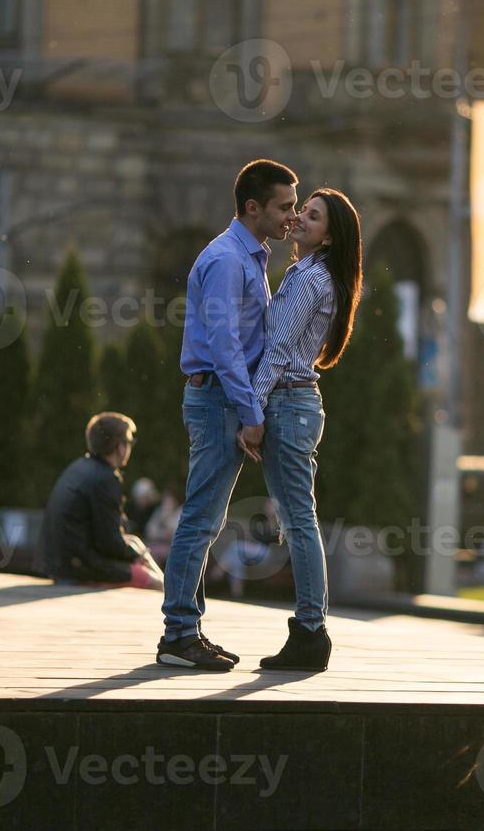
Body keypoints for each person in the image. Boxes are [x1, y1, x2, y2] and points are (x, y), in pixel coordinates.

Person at [158, 159, 299, 671]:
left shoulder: (251, 257)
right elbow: (224, 346)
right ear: (252, 207)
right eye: (284, 207)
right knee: (200, 519)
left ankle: (187, 629)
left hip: (222, 397)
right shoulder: (225, 260)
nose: (292, 215)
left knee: (207, 519)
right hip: (218, 398)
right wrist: (250, 412)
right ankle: (177, 635)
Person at [246, 187, 363, 671]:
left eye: (311, 217)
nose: (299, 219)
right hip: (295, 405)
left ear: (330, 235)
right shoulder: (309, 273)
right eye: (299, 211)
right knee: (297, 521)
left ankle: (312, 631)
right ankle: (310, 630)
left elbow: (276, 351)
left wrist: (250, 415)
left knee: (298, 522)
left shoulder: (310, 280)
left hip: (289, 405)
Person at [42, 412, 161, 588]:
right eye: (128, 442)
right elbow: (110, 542)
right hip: (79, 568)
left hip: (60, 563)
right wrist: (136, 556)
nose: (129, 448)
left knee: (135, 542)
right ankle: (172, 592)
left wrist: (135, 552)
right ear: (119, 447)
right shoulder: (105, 479)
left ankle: (170, 587)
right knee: (154, 583)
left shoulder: (79, 467)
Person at [144, 485, 184, 566]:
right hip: (155, 544)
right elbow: (149, 530)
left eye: (169, 500)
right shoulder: (160, 511)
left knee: (153, 554)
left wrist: (166, 518)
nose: (166, 503)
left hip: (173, 548)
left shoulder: (181, 512)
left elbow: (173, 535)